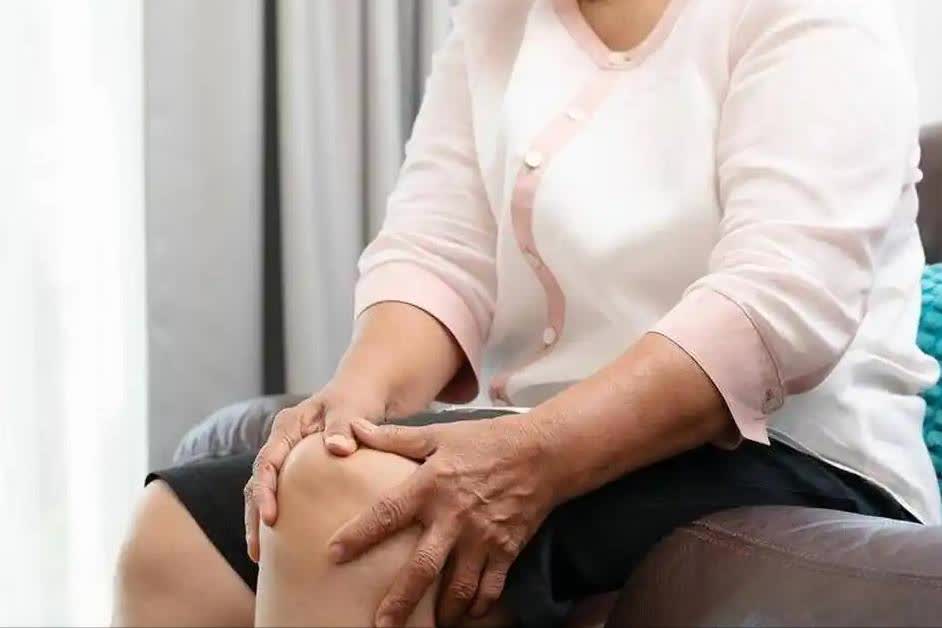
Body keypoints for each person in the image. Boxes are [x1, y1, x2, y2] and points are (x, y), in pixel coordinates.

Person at [112, 0, 942, 626]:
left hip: (787, 449)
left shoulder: (813, 16)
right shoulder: (494, 20)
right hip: (541, 428)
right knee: (174, 540)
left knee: (345, 505)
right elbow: (438, 255)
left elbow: (779, 302)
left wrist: (536, 456)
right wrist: (350, 405)